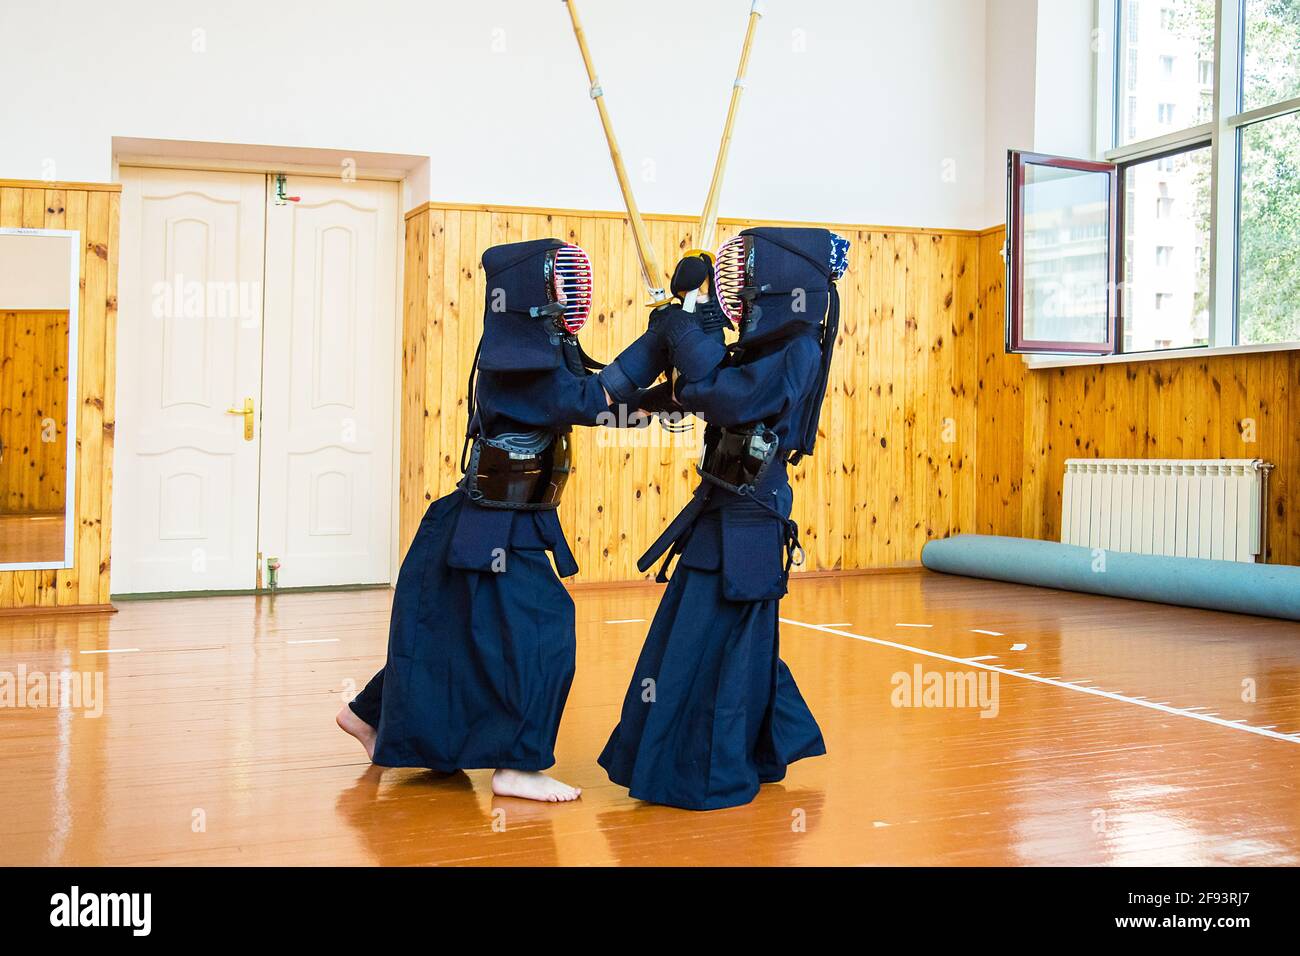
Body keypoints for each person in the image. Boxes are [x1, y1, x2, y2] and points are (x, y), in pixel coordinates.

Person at [337, 237, 667, 802]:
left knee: (450, 637)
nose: (573, 297)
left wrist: (687, 395)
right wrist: (661, 339)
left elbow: (600, 407)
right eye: (562, 284)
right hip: (487, 527)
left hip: (492, 523)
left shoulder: (538, 356)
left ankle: (365, 715)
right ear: (529, 295)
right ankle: (517, 765)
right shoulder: (515, 366)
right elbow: (588, 400)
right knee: (547, 635)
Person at [597, 227, 849, 810]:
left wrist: (684, 330)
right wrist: (613, 400)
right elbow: (697, 389)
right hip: (728, 510)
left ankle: (701, 765)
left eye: (750, 276)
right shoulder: (765, 349)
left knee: (715, 634)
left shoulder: (799, 348)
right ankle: (746, 747)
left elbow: (725, 395)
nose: (740, 287)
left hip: (749, 516)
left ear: (780, 284)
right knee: (716, 633)